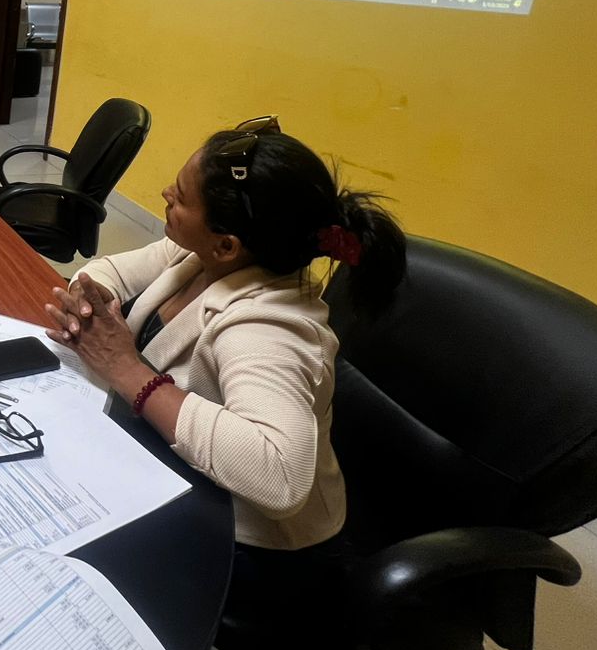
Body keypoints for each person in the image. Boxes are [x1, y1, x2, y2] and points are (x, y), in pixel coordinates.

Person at [42, 117, 405, 605]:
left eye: (180, 197)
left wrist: (128, 371)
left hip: (259, 551)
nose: (166, 193)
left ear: (227, 243)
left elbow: (279, 474)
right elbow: (110, 270)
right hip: (185, 474)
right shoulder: (200, 254)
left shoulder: (269, 327)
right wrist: (90, 299)